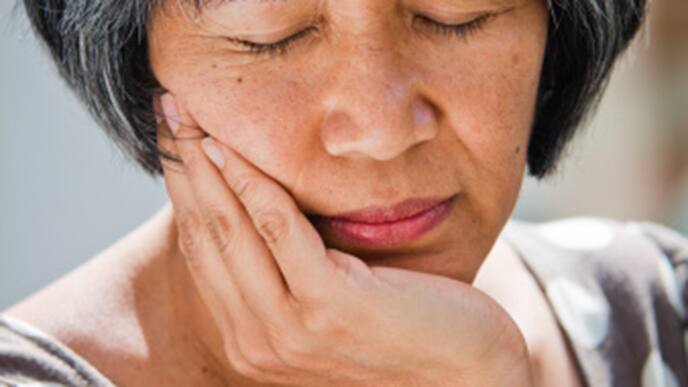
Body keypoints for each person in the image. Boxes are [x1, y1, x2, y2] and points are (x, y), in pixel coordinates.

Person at [1, 0, 685, 386]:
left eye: (457, 16)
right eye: (270, 39)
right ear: (135, 62)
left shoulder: (662, 310)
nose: (381, 129)